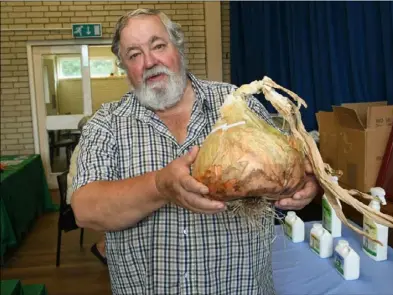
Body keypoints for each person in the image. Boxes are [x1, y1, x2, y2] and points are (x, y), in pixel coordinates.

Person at [70, 8, 320, 295]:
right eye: (134, 54)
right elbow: (85, 209)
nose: (150, 62)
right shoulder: (106, 125)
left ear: (178, 47)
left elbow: (280, 169)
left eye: (158, 46)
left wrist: (302, 184)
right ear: (124, 68)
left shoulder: (238, 104)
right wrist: (159, 186)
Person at [67, 115, 107, 265]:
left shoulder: (83, 145)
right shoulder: (88, 148)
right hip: (79, 199)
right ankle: (103, 247)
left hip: (82, 193)